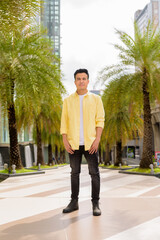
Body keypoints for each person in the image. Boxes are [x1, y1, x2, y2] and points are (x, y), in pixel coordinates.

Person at [60, 68, 105, 216]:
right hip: (73, 143)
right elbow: (64, 122)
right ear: (74, 82)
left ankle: (95, 203)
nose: (81, 81)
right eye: (78, 79)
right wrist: (65, 140)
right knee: (74, 173)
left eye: (84, 78)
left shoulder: (96, 99)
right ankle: (74, 202)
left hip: (91, 143)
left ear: (88, 81)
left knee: (94, 173)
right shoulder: (67, 101)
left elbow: (100, 120)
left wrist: (97, 140)